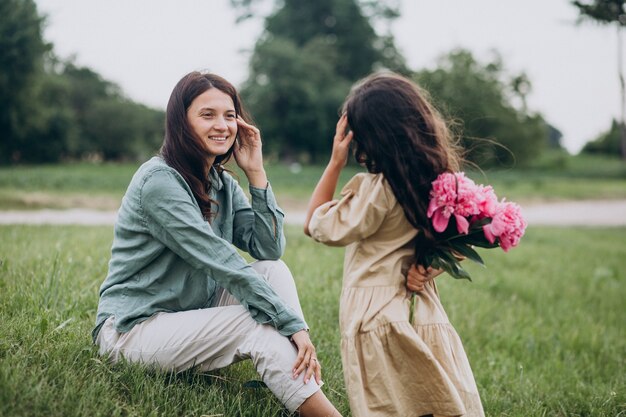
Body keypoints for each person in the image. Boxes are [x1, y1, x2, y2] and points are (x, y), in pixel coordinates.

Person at [93, 71, 341, 417]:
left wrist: (256, 172)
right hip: (132, 330)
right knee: (254, 323)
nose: (221, 125)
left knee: (273, 270)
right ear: (182, 123)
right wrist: (291, 324)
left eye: (229, 115)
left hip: (187, 314)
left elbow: (268, 248)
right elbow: (220, 261)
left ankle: (299, 386)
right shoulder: (159, 182)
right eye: (207, 115)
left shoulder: (219, 181)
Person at [304, 72, 485, 417]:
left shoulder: (378, 190)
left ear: (367, 137)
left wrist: (335, 162)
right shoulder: (439, 184)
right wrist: (430, 269)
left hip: (375, 314)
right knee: (431, 399)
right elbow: (462, 240)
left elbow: (317, 225)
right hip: (420, 310)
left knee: (387, 405)